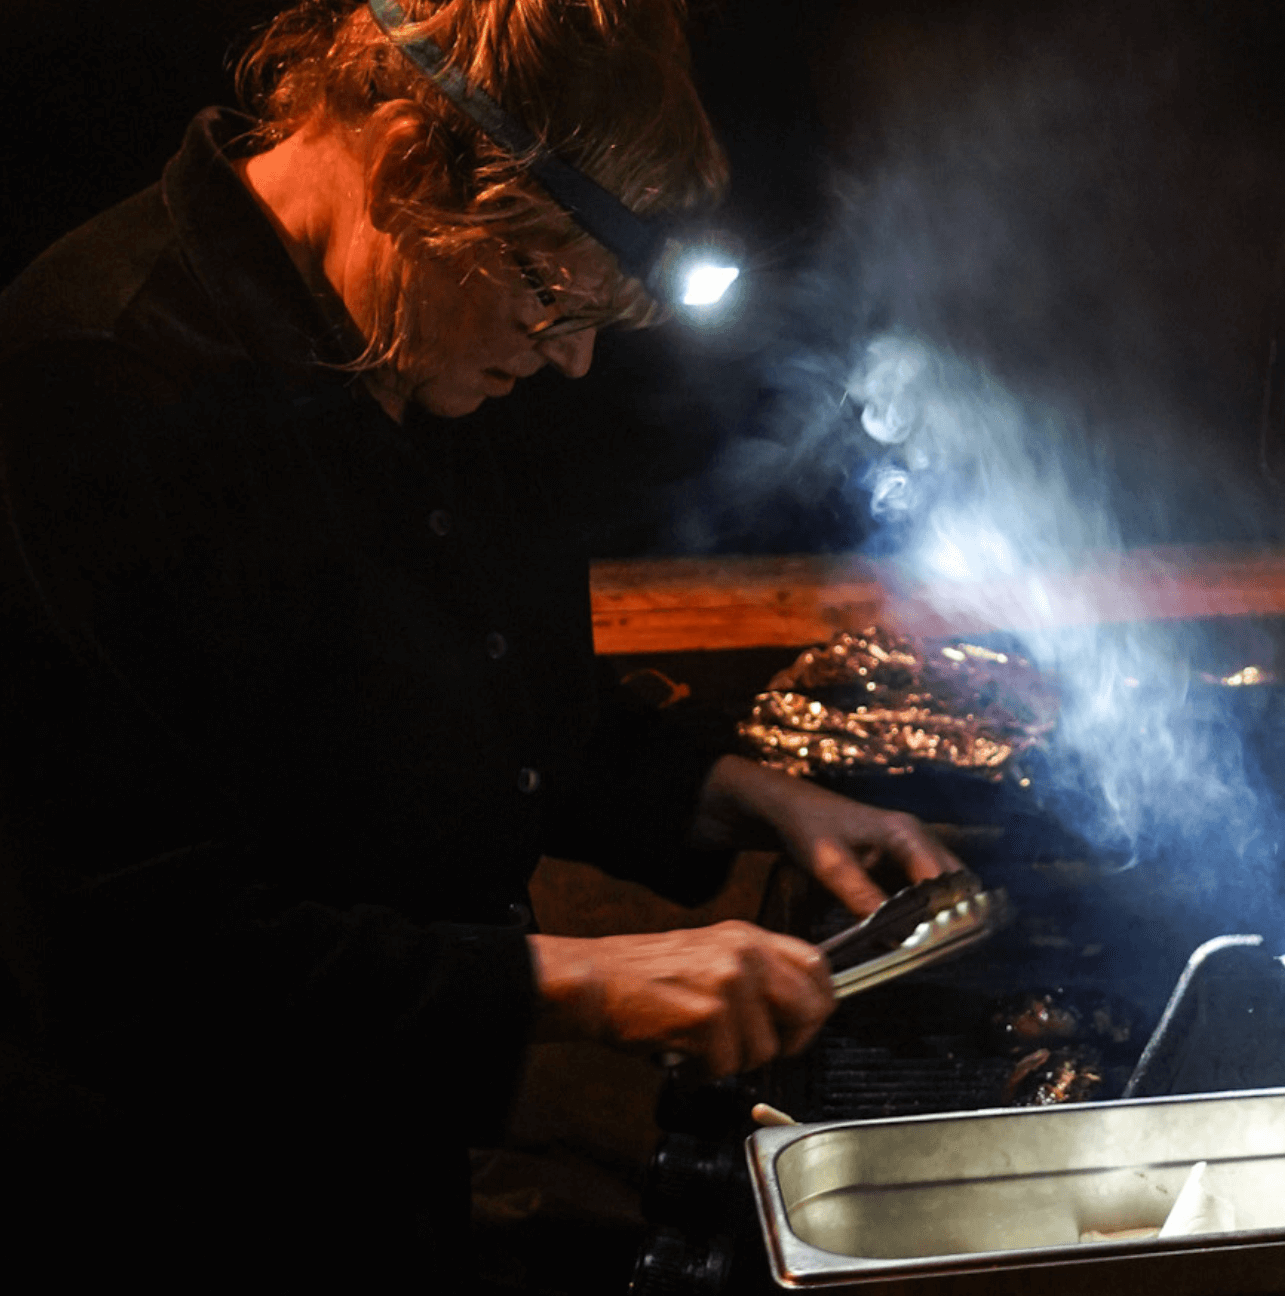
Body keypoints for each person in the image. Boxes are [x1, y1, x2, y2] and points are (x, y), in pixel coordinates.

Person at [0, 0, 957, 1287]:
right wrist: (578, 982)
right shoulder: (87, 384)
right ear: (405, 164)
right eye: (552, 292)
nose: (568, 362)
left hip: (389, 1169)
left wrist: (729, 791)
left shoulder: (428, 330)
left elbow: (468, 687)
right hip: (155, 1206)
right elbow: (137, 955)